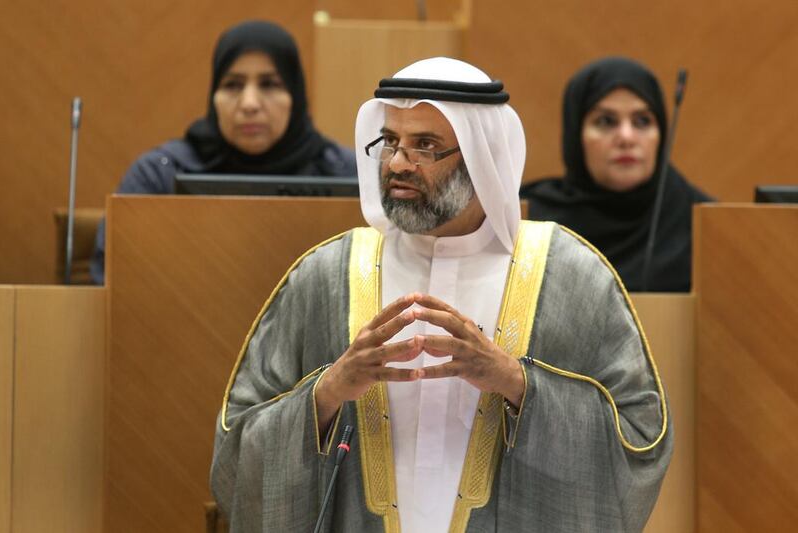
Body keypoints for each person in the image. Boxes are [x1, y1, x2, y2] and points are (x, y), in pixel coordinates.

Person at [211, 57, 672, 532]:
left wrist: (515, 383)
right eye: (390, 142)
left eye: (425, 146)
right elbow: (235, 450)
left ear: (480, 154)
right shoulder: (325, 276)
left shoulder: (572, 277)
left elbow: (640, 441)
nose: (396, 164)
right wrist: (329, 392)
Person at [89, 20, 356, 284]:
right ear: (214, 95)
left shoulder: (346, 173)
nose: (249, 103)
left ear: (294, 96)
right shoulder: (160, 174)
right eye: (233, 85)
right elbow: (111, 278)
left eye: (269, 84)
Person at [520, 56, 712, 292]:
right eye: (606, 121)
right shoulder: (530, 224)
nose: (626, 137)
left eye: (642, 121)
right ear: (575, 136)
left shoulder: (703, 224)